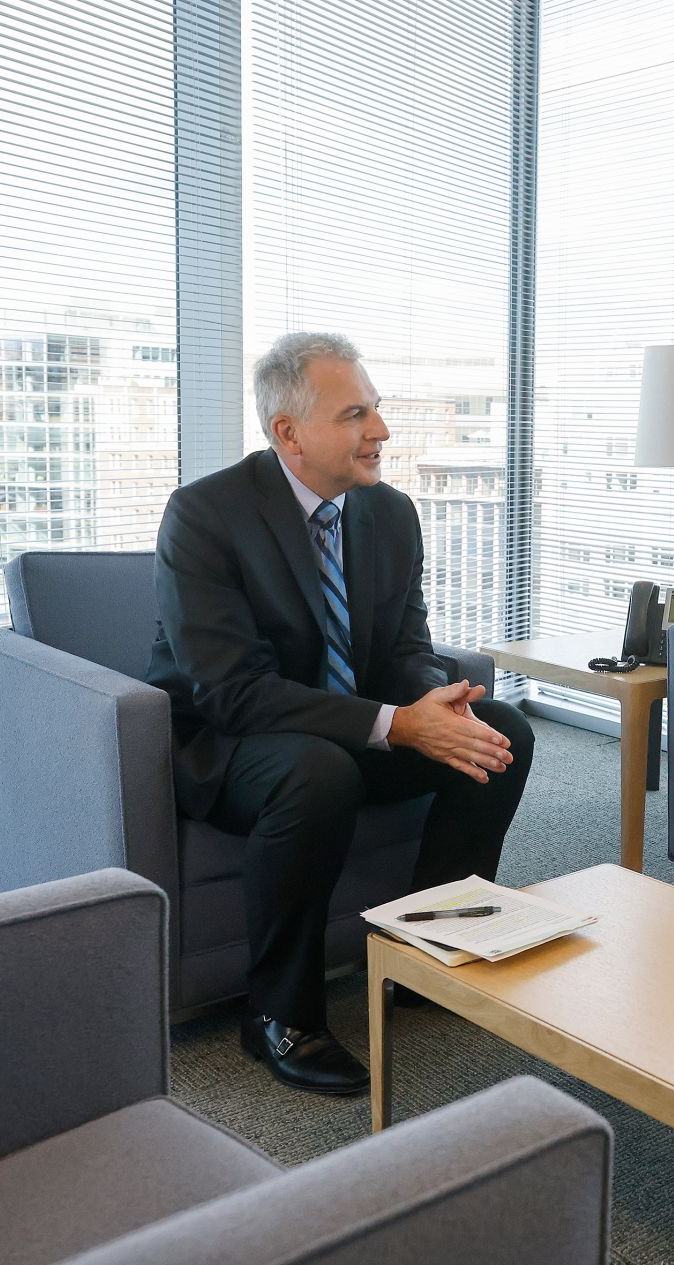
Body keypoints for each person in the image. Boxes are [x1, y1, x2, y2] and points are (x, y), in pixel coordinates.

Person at [146, 332, 534, 1095]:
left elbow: (405, 646)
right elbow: (233, 692)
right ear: (288, 432)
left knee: (501, 733)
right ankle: (279, 1014)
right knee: (317, 771)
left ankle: (426, 960)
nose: (380, 430)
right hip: (234, 744)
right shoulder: (204, 515)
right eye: (355, 414)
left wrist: (432, 700)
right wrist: (396, 723)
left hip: (343, 729)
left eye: (376, 409)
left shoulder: (389, 513)